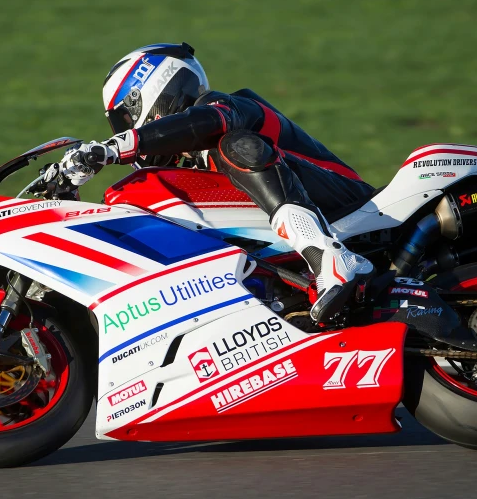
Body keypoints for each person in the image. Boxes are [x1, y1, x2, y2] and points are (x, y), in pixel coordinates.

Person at [58, 43, 375, 322]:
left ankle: (328, 256)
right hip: (318, 220)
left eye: (125, 119)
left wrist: (117, 147)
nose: (122, 129)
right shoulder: (191, 165)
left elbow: (209, 123)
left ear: (151, 93)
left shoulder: (226, 106)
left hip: (351, 207)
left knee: (233, 146)